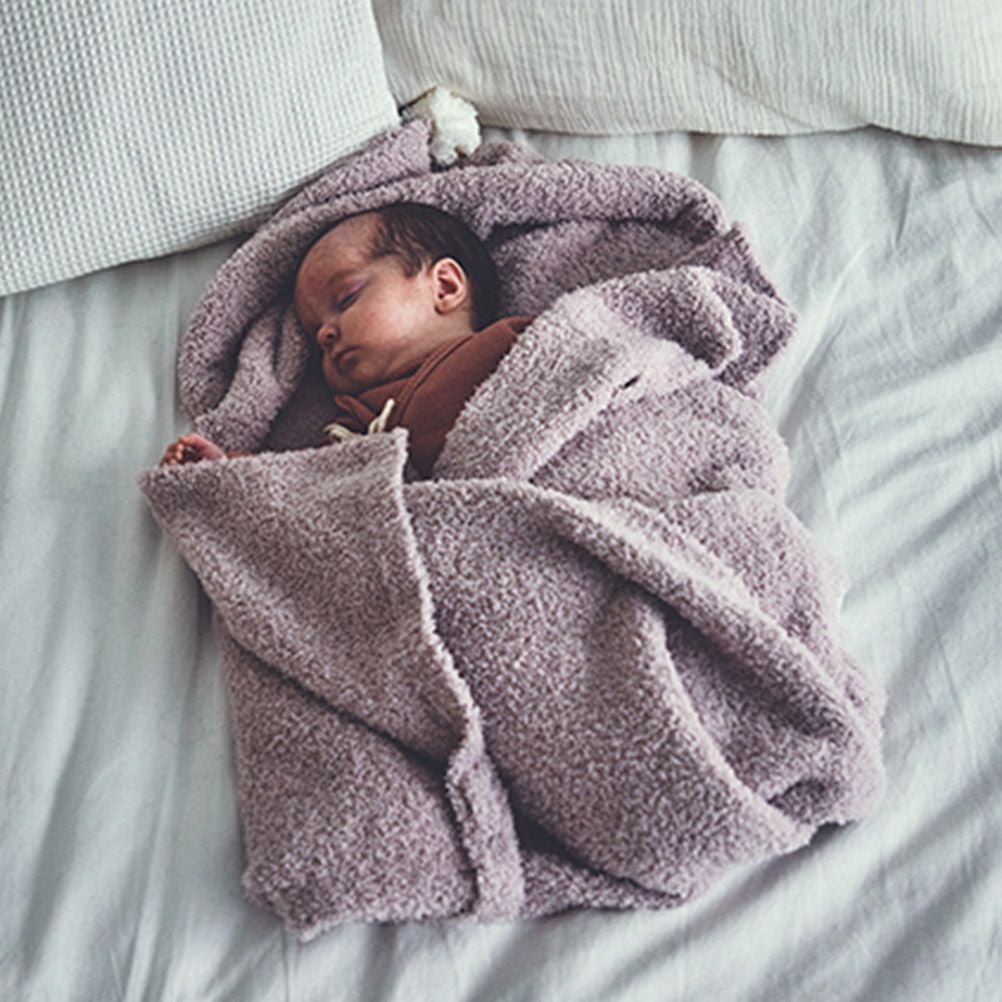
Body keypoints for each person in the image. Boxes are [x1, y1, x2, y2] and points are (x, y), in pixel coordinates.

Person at [161, 202, 532, 476]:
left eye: (346, 299)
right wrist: (227, 467)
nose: (325, 334)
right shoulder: (356, 419)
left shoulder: (514, 346)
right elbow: (308, 484)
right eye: (314, 337)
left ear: (445, 287)